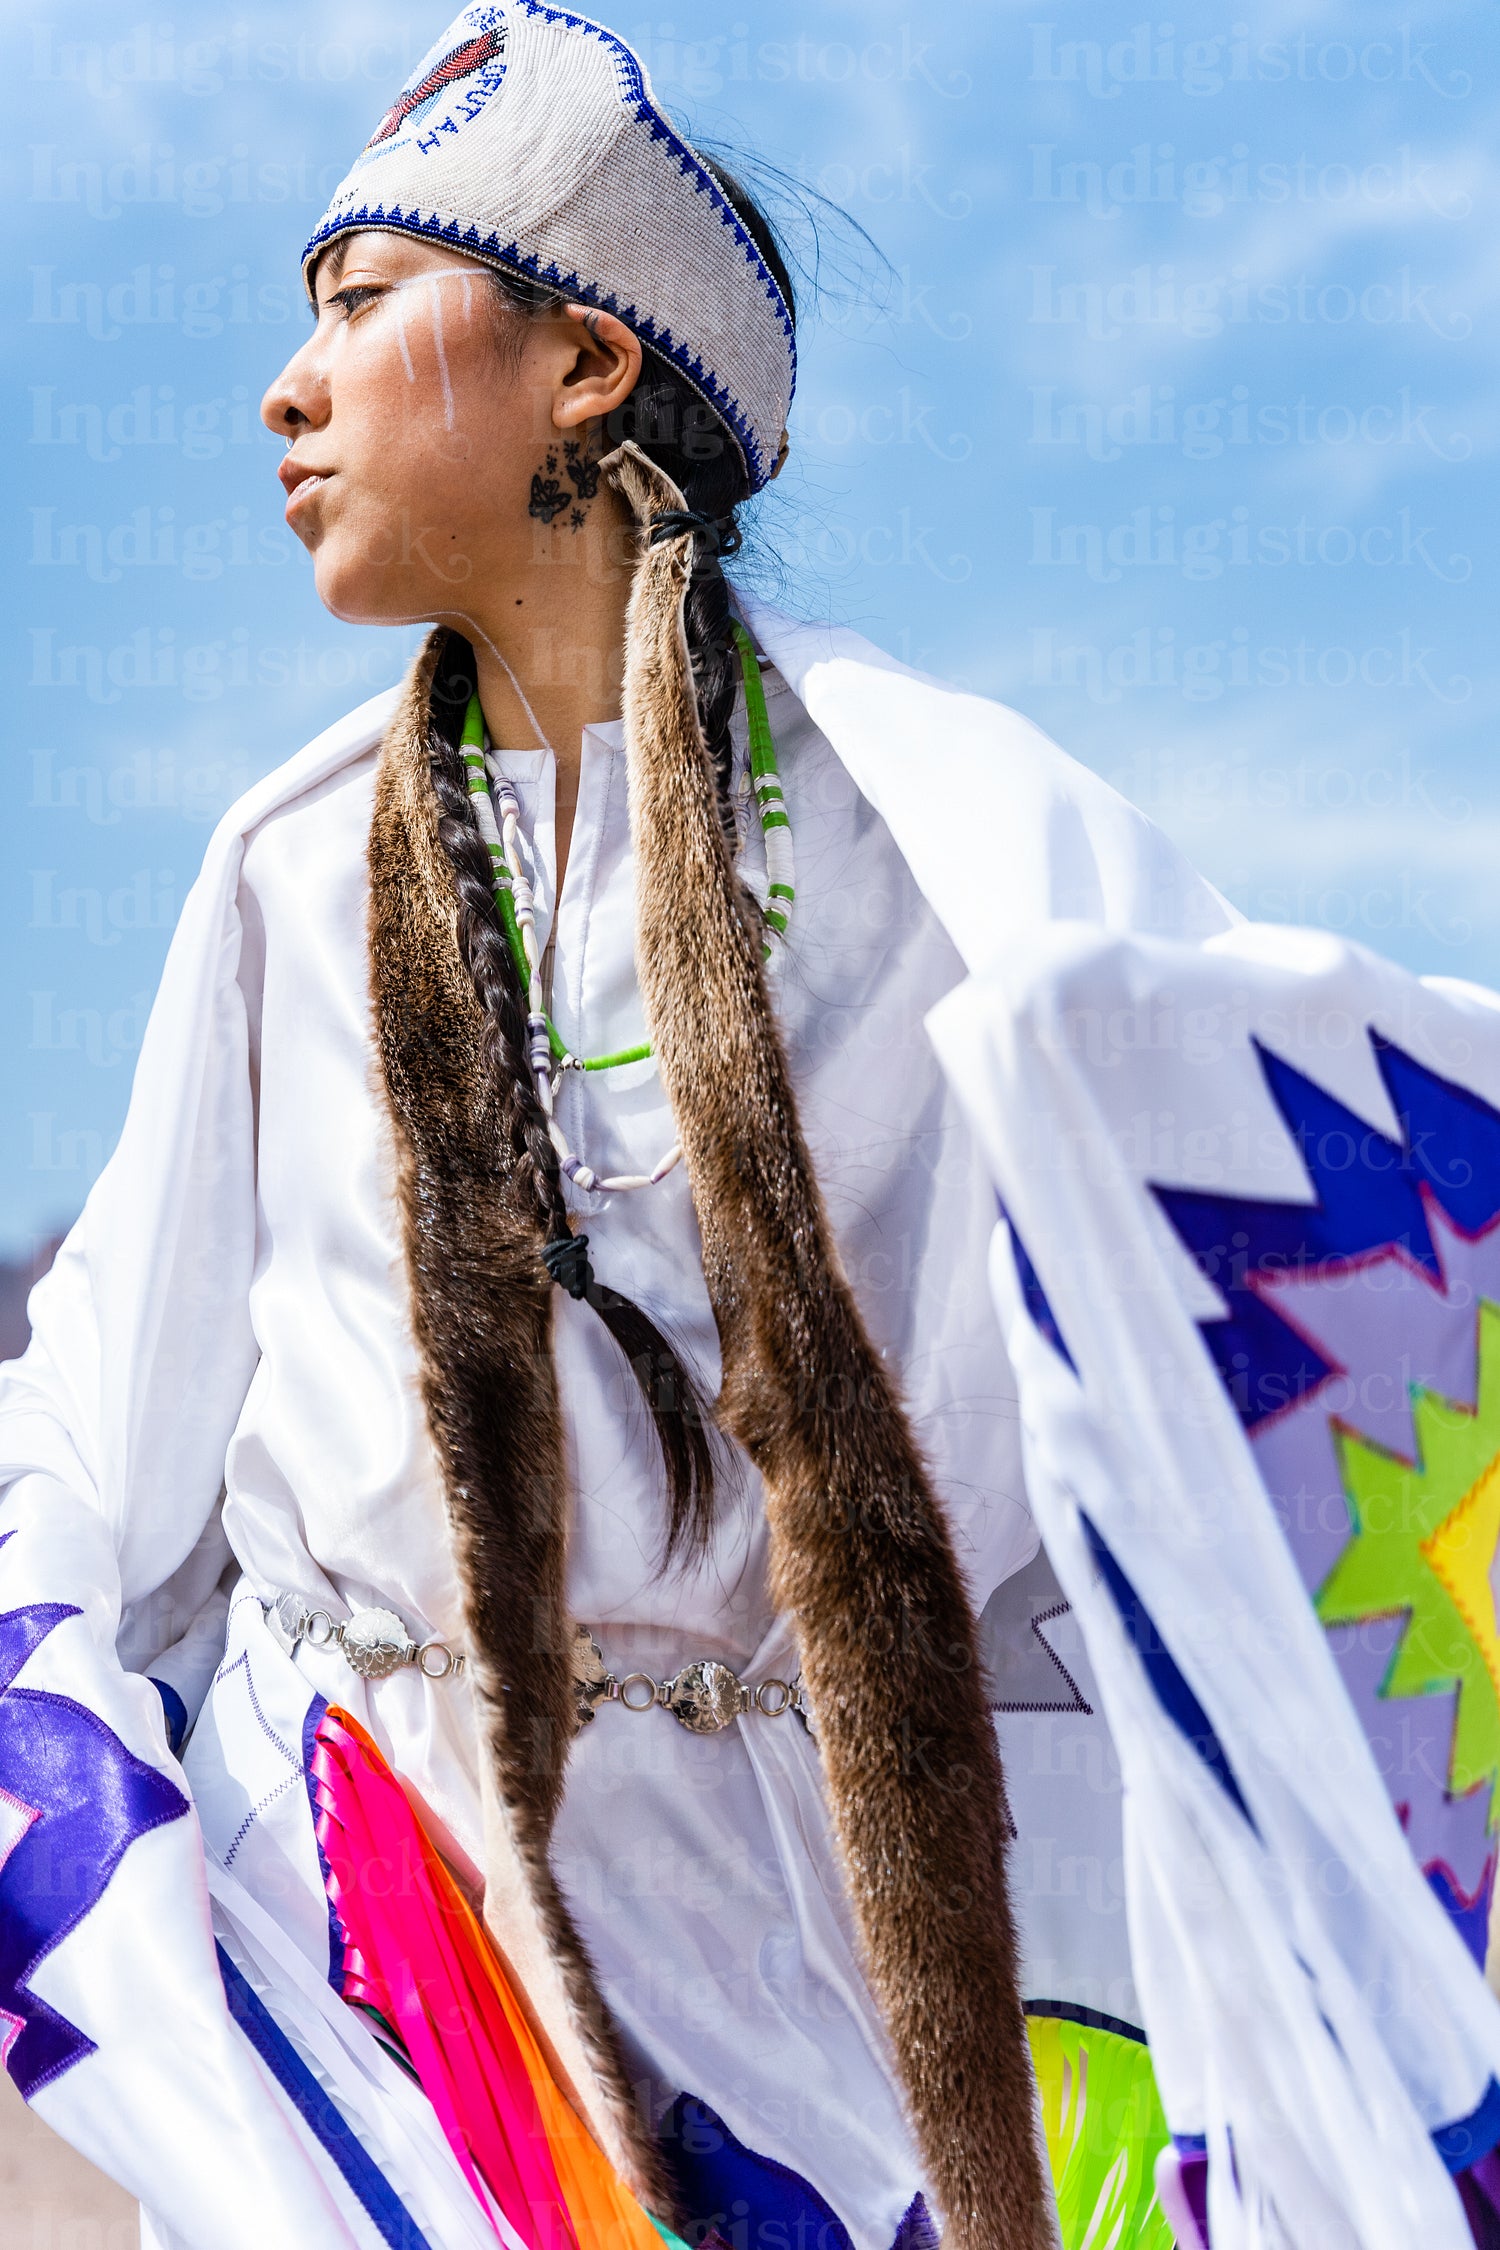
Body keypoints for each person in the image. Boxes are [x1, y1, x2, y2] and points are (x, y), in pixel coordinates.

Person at [0, 10, 1230, 2248]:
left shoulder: (957, 842)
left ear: (583, 360)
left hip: (832, 1950)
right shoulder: (285, 875)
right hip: (377, 1905)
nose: (291, 392)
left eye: (363, 307)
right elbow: (104, 1414)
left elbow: (1281, 1291)